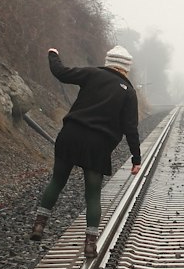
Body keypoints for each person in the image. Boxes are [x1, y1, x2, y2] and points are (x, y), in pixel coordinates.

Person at [30, 45, 141, 257]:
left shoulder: (92, 74)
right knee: (92, 194)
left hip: (71, 135)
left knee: (57, 181)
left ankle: (39, 226)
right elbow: (130, 128)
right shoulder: (128, 92)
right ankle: (90, 244)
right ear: (126, 68)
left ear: (109, 61)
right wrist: (136, 158)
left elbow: (61, 73)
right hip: (98, 145)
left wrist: (53, 54)